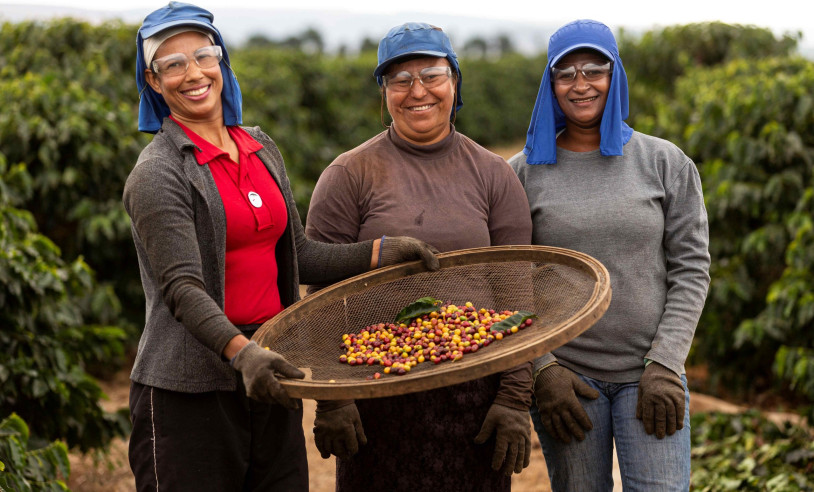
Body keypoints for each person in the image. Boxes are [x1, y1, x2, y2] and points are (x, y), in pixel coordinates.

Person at [124, 4, 439, 491]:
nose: (194, 73)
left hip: (271, 372)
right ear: (153, 79)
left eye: (204, 55)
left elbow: (299, 254)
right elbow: (181, 290)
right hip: (192, 391)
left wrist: (381, 251)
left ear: (221, 61)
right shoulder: (159, 171)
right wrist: (242, 353)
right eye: (173, 64)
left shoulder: (258, 146)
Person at [304, 22, 534, 491]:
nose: (418, 91)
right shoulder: (349, 173)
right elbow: (320, 296)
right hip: (378, 384)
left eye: (432, 74)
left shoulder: (493, 174)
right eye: (400, 80)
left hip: (475, 386)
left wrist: (513, 398)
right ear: (384, 92)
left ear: (455, 83)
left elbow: (517, 291)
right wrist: (332, 398)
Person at [509, 19, 711, 491]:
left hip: (649, 374)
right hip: (569, 379)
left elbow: (691, 268)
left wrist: (665, 362)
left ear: (614, 75)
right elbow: (508, 280)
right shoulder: (522, 174)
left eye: (594, 69)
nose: (581, 84)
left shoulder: (664, 163)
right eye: (566, 73)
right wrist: (543, 368)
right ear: (550, 83)